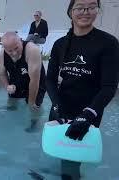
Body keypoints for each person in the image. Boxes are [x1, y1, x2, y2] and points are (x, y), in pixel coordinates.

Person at [46, 0, 119, 179]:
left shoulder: (108, 43)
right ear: (70, 11)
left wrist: (87, 115)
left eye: (91, 7)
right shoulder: (60, 44)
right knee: (58, 153)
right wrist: (56, 107)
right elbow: (49, 80)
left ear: (97, 10)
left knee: (73, 160)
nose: (85, 11)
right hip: (60, 108)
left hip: (89, 111)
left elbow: (109, 87)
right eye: (79, 7)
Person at [0, 31, 46, 131]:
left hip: (35, 81)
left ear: (20, 40)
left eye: (16, 48)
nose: (14, 53)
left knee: (34, 107)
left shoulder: (32, 50)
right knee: (12, 104)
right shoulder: (2, 54)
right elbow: (2, 74)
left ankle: (34, 125)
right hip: (17, 78)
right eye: (10, 51)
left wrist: (31, 103)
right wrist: (7, 86)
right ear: (4, 49)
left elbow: (34, 81)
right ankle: (13, 122)